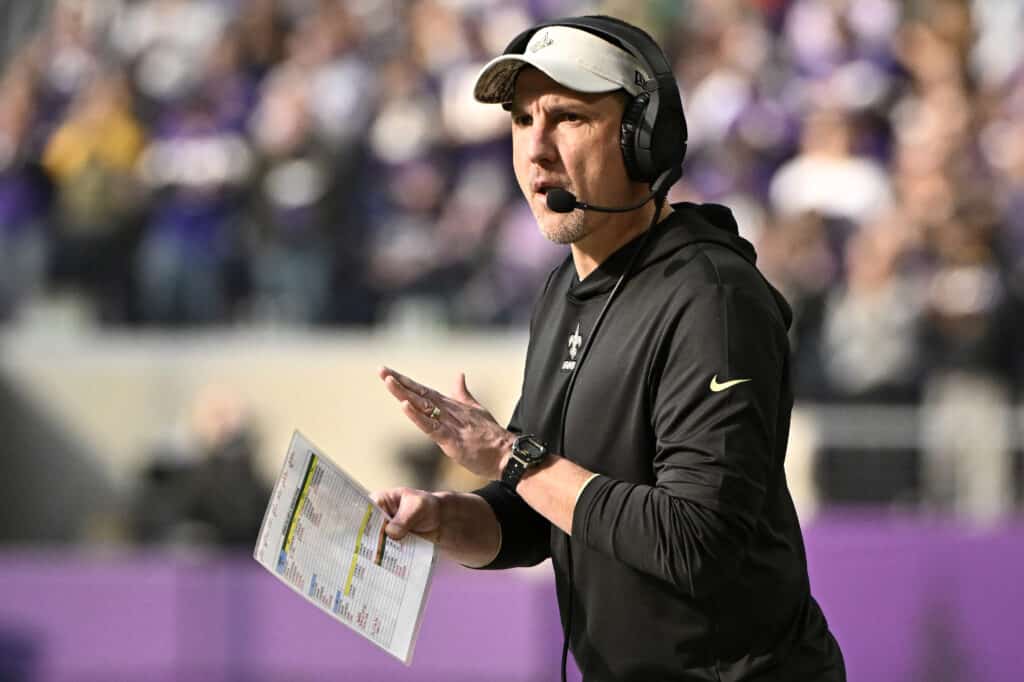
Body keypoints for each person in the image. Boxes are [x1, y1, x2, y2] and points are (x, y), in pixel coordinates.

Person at [372, 15, 845, 681]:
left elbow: (694, 541)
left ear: (643, 139)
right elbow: (542, 514)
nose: (535, 149)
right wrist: (449, 520)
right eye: (521, 119)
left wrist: (510, 454)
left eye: (566, 117)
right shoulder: (564, 289)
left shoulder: (712, 299)